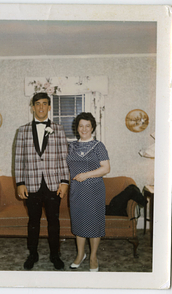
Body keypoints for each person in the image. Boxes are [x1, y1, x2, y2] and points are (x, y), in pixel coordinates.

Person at [14, 92, 69, 270]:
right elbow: (18, 158)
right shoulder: (22, 130)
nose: (41, 107)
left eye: (44, 103)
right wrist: (19, 183)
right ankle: (33, 254)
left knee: (54, 221)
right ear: (32, 107)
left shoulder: (58, 129)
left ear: (49, 107)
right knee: (33, 221)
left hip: (53, 183)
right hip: (31, 184)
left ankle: (55, 255)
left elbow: (63, 157)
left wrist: (64, 181)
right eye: (37, 104)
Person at [66, 112, 110, 272]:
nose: (84, 129)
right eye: (81, 125)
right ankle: (80, 255)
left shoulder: (99, 146)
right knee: (78, 222)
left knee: (94, 223)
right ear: (77, 128)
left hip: (94, 191)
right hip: (76, 191)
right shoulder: (70, 146)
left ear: (92, 128)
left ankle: (93, 257)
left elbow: (106, 168)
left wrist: (86, 175)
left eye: (87, 126)